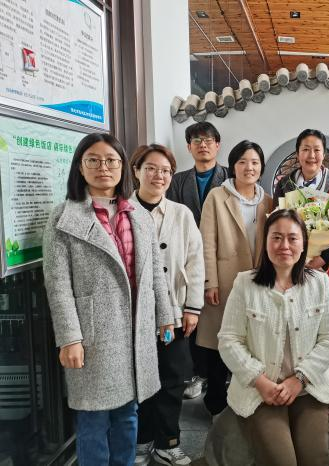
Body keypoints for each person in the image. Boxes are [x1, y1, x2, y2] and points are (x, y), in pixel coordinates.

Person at [42, 133, 174, 466]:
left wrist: (165, 315)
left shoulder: (138, 214)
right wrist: (69, 338)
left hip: (135, 332)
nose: (104, 167)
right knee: (93, 418)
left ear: (123, 167)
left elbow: (155, 273)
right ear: (80, 167)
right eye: (94, 160)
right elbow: (58, 285)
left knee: (128, 414)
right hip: (93, 335)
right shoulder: (63, 217)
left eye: (112, 160)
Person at [218, 209, 329, 466]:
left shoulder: (319, 283)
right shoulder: (245, 284)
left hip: (308, 388)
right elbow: (229, 340)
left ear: (304, 244)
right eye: (276, 237)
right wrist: (259, 380)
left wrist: (300, 379)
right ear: (265, 243)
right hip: (261, 390)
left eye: (292, 238)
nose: (284, 245)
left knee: (315, 459)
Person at [129, 144, 205, 466]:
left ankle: (168, 442)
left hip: (175, 311)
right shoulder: (124, 212)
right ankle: (142, 440)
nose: (158, 176)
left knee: (173, 380)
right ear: (136, 171)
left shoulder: (181, 214)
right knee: (141, 380)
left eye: (165, 171)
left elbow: (196, 261)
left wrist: (193, 308)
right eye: (151, 168)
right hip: (137, 316)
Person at [197, 140, 272, 416]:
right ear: (233, 166)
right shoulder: (217, 196)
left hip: (258, 282)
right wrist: (210, 282)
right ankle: (216, 405)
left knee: (252, 344)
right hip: (225, 281)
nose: (249, 167)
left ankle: (246, 403)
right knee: (221, 344)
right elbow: (207, 242)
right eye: (242, 162)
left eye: (254, 162)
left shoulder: (268, 201)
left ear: (261, 167)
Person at [166, 121, 227, 399]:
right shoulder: (178, 180)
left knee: (222, 317)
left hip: (221, 258)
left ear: (218, 145)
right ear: (189, 147)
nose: (203, 145)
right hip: (187, 258)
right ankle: (196, 374)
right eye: (196, 141)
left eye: (208, 140)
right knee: (191, 317)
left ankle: (223, 375)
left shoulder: (229, 177)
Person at [273, 128, 329, 270]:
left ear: (323, 154)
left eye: (317, 150)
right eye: (305, 149)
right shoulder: (284, 184)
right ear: (297, 154)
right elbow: (276, 222)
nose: (311, 155)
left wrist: (324, 258)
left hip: (320, 262)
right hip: (289, 257)